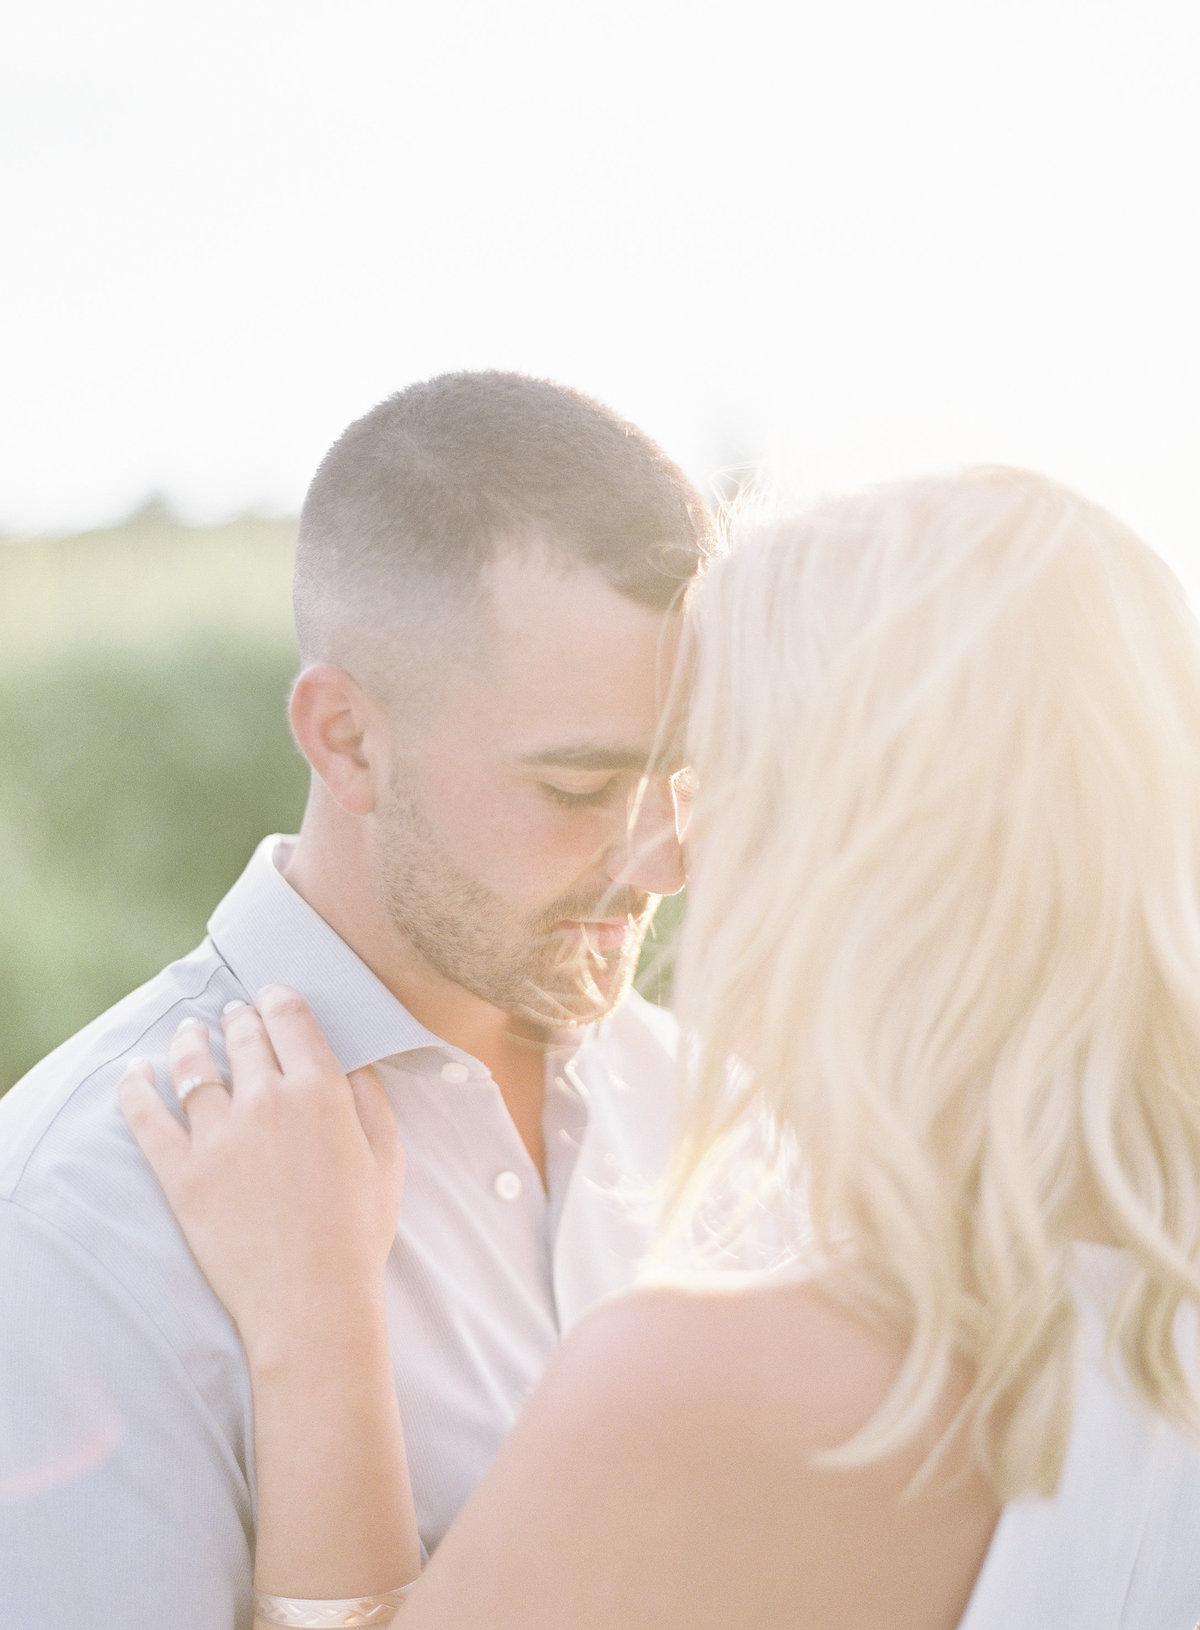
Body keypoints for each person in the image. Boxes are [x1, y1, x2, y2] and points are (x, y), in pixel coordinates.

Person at [124, 466, 1200, 1627]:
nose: (662, 862)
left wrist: (316, 1334)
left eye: (708, 784)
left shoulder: (719, 1392)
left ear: (861, 854)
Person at [0, 372, 722, 1628]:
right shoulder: (75, 1216)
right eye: (578, 787)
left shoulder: (713, 1105)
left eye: (687, 774)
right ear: (345, 739)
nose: (665, 859)